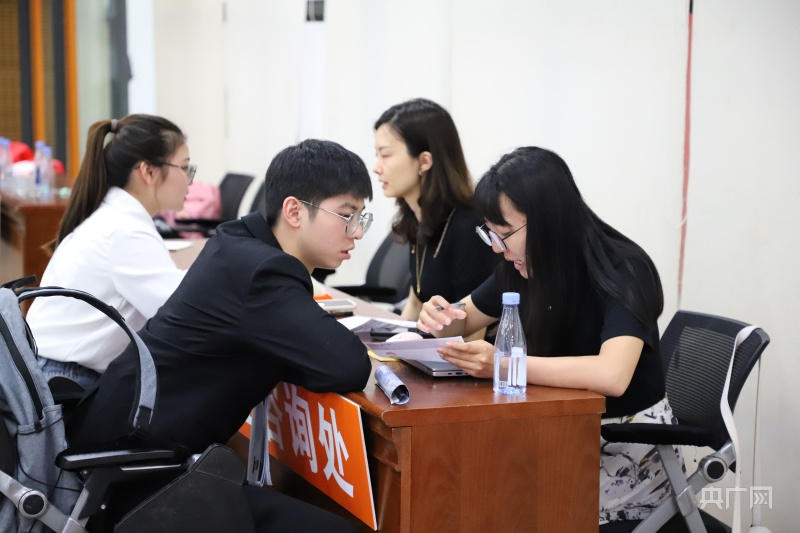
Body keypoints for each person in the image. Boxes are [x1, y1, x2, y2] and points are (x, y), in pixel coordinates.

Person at [67, 139, 374, 533]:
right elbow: (347, 365)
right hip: (138, 478)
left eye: (362, 219)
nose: (357, 233)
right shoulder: (263, 272)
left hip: (117, 456)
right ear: (294, 211)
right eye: (347, 216)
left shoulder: (237, 243)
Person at [416, 147, 680, 525]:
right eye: (491, 234)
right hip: (551, 429)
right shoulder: (519, 262)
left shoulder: (622, 268)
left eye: (505, 234)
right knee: (460, 486)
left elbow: (613, 375)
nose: (498, 248)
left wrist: (504, 366)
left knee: (490, 503)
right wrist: (440, 316)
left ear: (549, 221)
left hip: (624, 445)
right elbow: (464, 315)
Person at [27, 114, 191, 388]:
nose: (190, 180)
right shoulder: (125, 230)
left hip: (52, 371)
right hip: (64, 383)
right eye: (186, 168)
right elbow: (181, 312)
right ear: (148, 172)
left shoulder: (118, 218)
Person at [373, 98, 494, 324]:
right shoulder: (417, 218)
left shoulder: (468, 226)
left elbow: (472, 332)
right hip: (430, 346)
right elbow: (416, 302)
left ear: (425, 161)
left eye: (386, 155)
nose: (376, 167)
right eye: (376, 155)